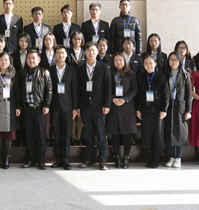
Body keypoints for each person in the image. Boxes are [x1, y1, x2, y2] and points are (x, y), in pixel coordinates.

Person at [77, 42, 111, 170]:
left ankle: (102, 160)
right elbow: (78, 89)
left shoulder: (104, 68)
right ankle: (88, 159)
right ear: (85, 53)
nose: (91, 53)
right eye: (88, 50)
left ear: (97, 52)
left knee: (101, 135)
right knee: (88, 134)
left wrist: (107, 104)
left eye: (93, 50)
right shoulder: (80, 68)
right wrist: (78, 106)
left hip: (99, 106)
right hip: (85, 106)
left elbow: (108, 87)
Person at [20, 49, 53, 170]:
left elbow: (49, 90)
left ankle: (41, 160)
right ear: (26, 60)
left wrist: (46, 105)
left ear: (39, 60)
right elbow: (18, 91)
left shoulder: (45, 72)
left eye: (34, 58)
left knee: (41, 136)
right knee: (28, 135)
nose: (31, 60)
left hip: (39, 108)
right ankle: (30, 159)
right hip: (27, 109)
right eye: (29, 58)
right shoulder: (22, 73)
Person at [135, 55, 169, 168]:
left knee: (157, 134)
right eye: (146, 63)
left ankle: (156, 159)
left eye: (150, 63)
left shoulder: (161, 77)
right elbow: (138, 94)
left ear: (155, 64)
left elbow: (166, 94)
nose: (148, 65)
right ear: (143, 65)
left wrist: (164, 109)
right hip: (145, 110)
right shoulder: (140, 77)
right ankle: (149, 158)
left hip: (158, 110)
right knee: (147, 135)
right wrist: (137, 109)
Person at [0, 52, 20, 169]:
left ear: (9, 62)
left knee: (8, 133)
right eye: (1, 60)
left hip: (10, 106)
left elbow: (17, 92)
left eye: (6, 60)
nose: (4, 62)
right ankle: (0, 157)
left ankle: (7, 157)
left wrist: (18, 107)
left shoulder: (13, 74)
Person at [106, 52, 137, 169]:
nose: (118, 62)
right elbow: (106, 89)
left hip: (127, 107)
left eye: (120, 60)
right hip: (114, 106)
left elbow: (134, 89)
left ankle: (126, 157)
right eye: (116, 60)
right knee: (115, 133)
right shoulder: (109, 73)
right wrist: (112, 99)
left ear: (124, 61)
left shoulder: (131, 74)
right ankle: (117, 157)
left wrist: (125, 99)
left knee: (127, 134)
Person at [49, 45, 78, 170]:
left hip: (67, 106)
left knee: (66, 134)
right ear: (55, 55)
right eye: (58, 53)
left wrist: (75, 108)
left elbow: (75, 90)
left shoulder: (72, 70)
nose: (60, 55)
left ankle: (66, 160)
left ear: (66, 55)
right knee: (57, 133)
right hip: (54, 106)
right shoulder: (50, 70)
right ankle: (58, 159)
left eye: (63, 53)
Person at [163, 52, 192, 168]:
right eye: (171, 59)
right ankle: (171, 157)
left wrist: (188, 111)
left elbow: (189, 94)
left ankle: (178, 158)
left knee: (180, 132)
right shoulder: (165, 74)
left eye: (176, 59)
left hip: (181, 107)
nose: (173, 62)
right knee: (169, 131)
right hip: (168, 106)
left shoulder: (185, 74)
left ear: (180, 61)